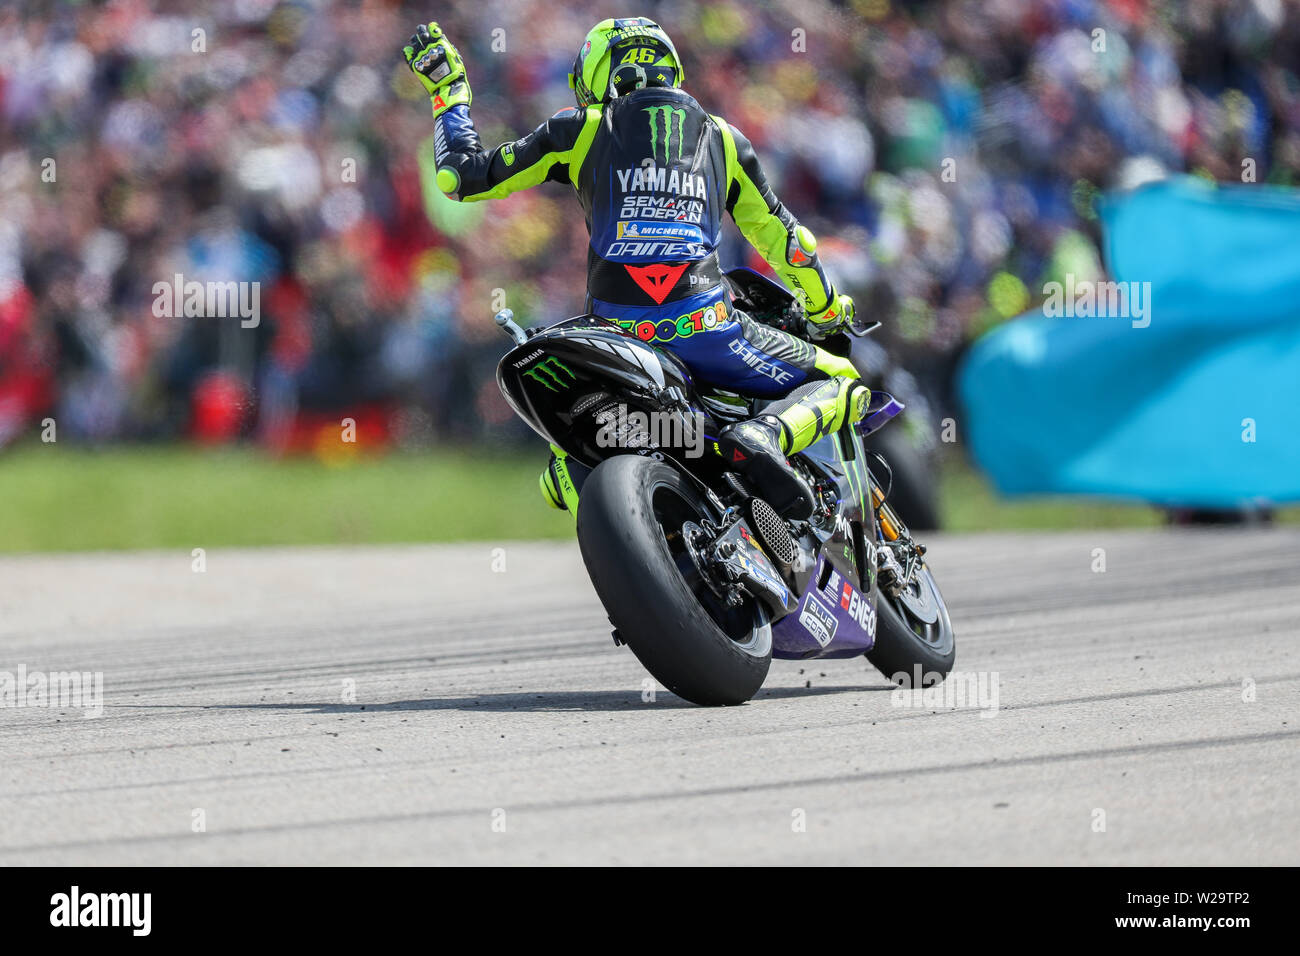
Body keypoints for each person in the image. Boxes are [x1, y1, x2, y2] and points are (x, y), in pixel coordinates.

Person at [403, 17, 869, 517]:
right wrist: (824, 309)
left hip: (612, 337)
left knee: (556, 483)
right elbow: (789, 244)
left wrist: (448, 92)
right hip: (708, 330)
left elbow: (460, 177)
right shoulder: (723, 140)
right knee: (843, 380)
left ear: (592, 81)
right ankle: (766, 433)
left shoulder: (579, 128)